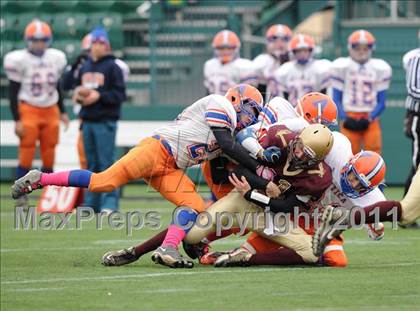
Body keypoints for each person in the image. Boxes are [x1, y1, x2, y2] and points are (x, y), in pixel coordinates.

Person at [12, 84, 265, 268]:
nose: (250, 118)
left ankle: (168, 248)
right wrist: (258, 166)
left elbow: (225, 160)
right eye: (250, 110)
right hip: (156, 150)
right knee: (103, 182)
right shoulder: (220, 104)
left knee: (195, 205)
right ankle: (40, 179)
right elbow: (227, 144)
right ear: (236, 99)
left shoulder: (231, 133)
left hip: (171, 167)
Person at [3, 19, 69, 208]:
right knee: (26, 151)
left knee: (49, 152)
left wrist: (63, 111)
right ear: (28, 40)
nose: (39, 44)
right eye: (35, 40)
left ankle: (49, 194)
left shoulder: (55, 57)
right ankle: (21, 193)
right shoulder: (18, 59)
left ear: (48, 40)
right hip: (29, 108)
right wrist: (17, 119)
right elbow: (13, 92)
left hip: (50, 109)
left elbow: (57, 86)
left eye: (42, 40)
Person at [69, 26, 127, 214]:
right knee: (91, 164)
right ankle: (91, 202)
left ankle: (109, 203)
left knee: (107, 164)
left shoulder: (113, 67)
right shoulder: (85, 66)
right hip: (87, 121)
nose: (97, 46)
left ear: (107, 45)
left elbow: (119, 95)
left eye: (101, 43)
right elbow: (72, 86)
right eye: (94, 42)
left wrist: (99, 96)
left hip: (105, 121)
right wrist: (78, 95)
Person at [331, 29, 392, 155]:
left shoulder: (380, 68)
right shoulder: (341, 67)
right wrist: (344, 118)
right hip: (349, 114)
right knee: (347, 155)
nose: (361, 52)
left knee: (374, 154)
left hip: (371, 116)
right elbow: (336, 98)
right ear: (350, 48)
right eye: (358, 48)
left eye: (365, 48)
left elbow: (382, 102)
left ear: (371, 49)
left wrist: (370, 118)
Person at [272, 34, 331, 106]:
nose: (302, 54)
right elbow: (281, 96)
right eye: (299, 51)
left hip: (314, 108)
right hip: (292, 109)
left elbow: (325, 94)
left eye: (305, 51)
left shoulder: (320, 67)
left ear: (310, 51)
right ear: (293, 52)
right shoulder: (285, 69)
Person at [203, 30, 256, 95]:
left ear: (236, 48)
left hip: (235, 104)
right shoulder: (210, 65)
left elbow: (249, 95)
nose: (225, 51)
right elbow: (208, 92)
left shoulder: (245, 66)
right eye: (221, 48)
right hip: (214, 104)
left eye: (229, 48)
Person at [252, 24, 292, 101]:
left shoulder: (294, 62)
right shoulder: (262, 61)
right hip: (268, 106)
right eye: (274, 40)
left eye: (283, 40)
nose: (279, 44)